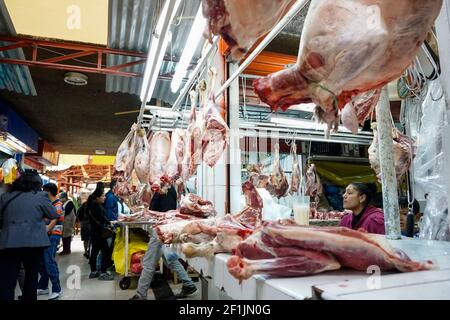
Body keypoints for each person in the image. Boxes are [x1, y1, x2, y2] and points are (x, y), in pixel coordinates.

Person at [130, 186, 197, 300]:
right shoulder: (165, 189)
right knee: (170, 259)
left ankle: (140, 295)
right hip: (164, 230)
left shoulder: (166, 190)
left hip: (161, 231)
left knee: (148, 262)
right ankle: (188, 284)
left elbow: (165, 213)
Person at [0, 170, 58, 301]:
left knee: (7, 278)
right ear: (38, 184)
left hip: (9, 242)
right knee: (31, 277)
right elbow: (53, 214)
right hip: (33, 243)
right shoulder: (41, 196)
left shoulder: (6, 196)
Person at [37, 183, 64, 300]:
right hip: (46, 236)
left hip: (52, 236)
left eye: (44, 192)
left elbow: (54, 219)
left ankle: (56, 289)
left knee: (49, 262)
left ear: (48, 192)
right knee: (43, 262)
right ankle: (43, 286)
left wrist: (46, 229)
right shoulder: (49, 204)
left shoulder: (57, 204)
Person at [87, 188, 114, 281]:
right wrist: (110, 222)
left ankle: (93, 271)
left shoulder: (91, 204)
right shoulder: (97, 206)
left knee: (94, 252)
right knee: (106, 251)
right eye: (103, 195)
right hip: (99, 233)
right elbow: (102, 218)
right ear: (97, 197)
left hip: (94, 232)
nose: (105, 197)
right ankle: (103, 273)